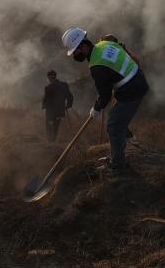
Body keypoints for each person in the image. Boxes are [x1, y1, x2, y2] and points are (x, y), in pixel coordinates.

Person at [62, 27, 149, 172]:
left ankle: (117, 164)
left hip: (132, 89)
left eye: (75, 51)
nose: (74, 55)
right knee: (116, 117)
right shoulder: (104, 44)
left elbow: (105, 95)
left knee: (113, 126)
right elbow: (114, 40)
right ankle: (123, 145)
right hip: (136, 79)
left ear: (83, 46)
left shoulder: (96, 66)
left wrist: (96, 108)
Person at [42, 70, 74, 142]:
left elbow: (46, 100)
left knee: (49, 126)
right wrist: (68, 105)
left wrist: (43, 105)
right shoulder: (64, 85)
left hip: (51, 112)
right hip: (61, 111)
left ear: (49, 78)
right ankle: (54, 140)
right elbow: (70, 96)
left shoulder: (48, 87)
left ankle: (51, 142)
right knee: (56, 125)